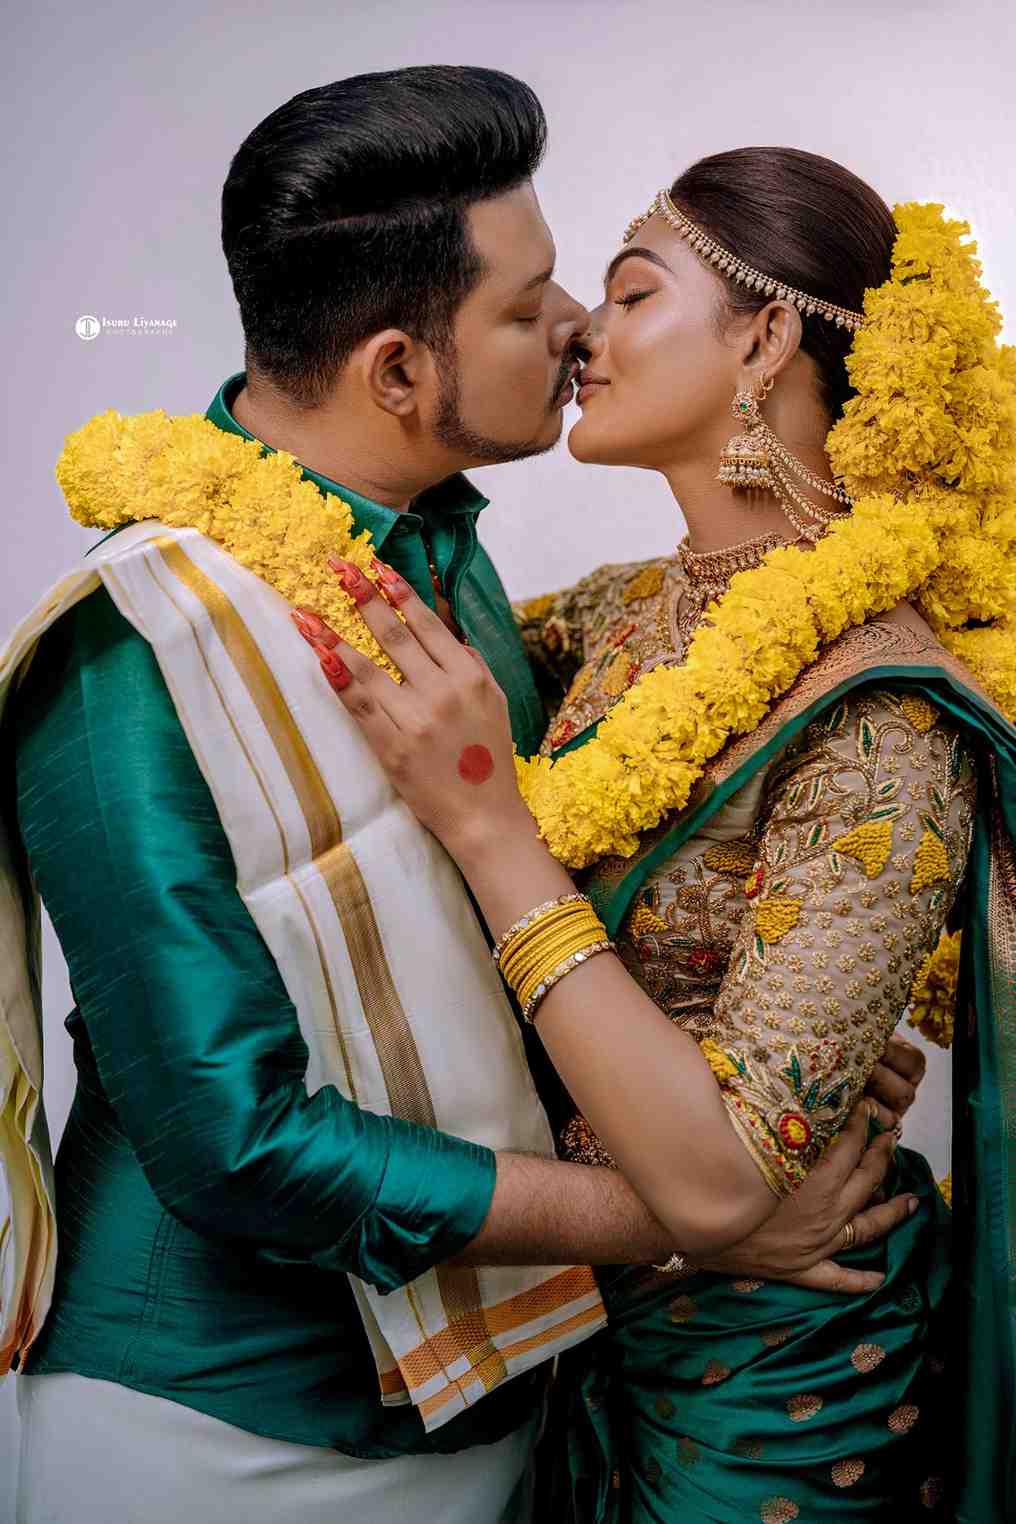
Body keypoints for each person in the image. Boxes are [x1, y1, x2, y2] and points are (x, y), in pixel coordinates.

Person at [1, 73, 925, 1523]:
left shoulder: (455, 571)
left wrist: (779, 1047)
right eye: (528, 303)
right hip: (220, 1430)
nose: (574, 328)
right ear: (396, 371)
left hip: (513, 1400)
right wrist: (694, 1212)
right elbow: (233, 1142)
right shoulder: (135, 644)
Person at [294, 146, 1016, 1520]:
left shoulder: (883, 720)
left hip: (773, 1393)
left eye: (632, 295)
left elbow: (724, 1178)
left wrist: (496, 835)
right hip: (569, 1344)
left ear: (765, 337)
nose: (583, 334)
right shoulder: (621, 614)